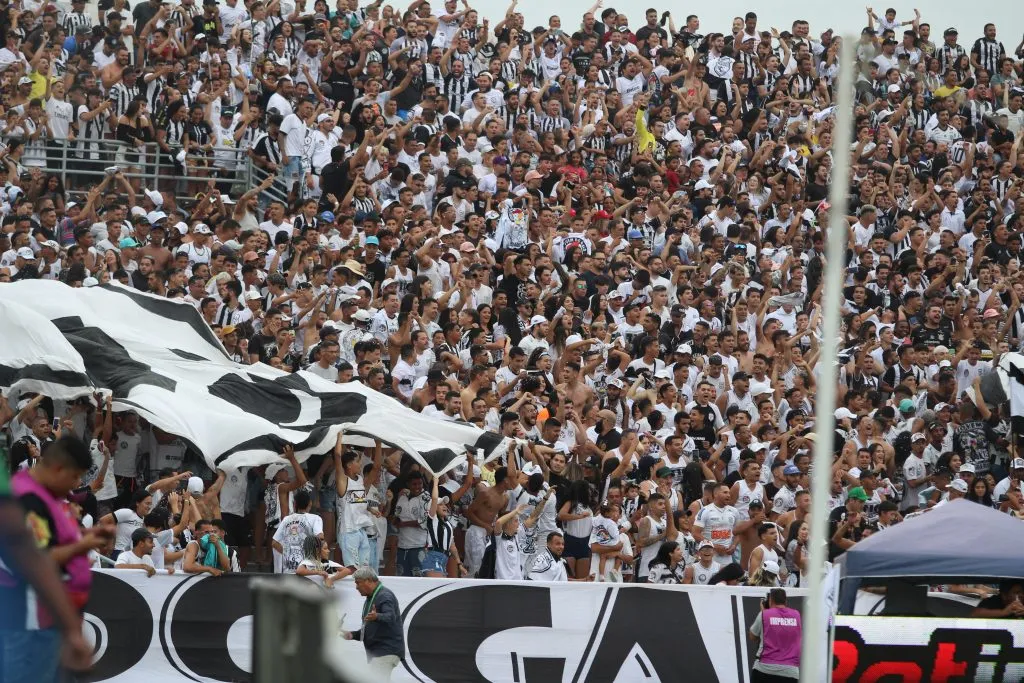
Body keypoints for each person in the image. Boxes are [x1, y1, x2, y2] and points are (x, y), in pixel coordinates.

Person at [0, 436, 111, 683]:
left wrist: (84, 535)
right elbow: (37, 559)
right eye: (75, 477)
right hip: (31, 621)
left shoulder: (43, 496)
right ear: (59, 468)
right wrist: (83, 545)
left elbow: (50, 538)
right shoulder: (28, 500)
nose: (76, 484)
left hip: (43, 621)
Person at [343, 568, 405, 680]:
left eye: (358, 583)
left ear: (369, 580)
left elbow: (390, 617)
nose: (356, 587)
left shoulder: (384, 595)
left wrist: (377, 616)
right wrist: (350, 635)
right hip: (380, 652)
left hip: (385, 651)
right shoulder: (372, 597)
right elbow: (368, 630)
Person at [748, 588, 801, 681]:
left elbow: (752, 636)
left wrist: (764, 612)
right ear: (785, 600)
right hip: (790, 670)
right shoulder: (796, 615)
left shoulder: (764, 614)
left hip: (764, 668)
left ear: (770, 600)